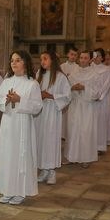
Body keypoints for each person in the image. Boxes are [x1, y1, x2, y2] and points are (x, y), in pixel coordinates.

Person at [0, 50, 42, 205]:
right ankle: (7, 190)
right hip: (8, 124)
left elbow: (37, 106)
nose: (14, 63)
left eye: (18, 60)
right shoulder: (6, 82)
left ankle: (20, 190)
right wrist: (6, 101)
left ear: (25, 62)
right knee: (7, 156)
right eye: (12, 60)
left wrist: (20, 100)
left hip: (22, 125)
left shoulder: (32, 84)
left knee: (21, 156)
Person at [34, 51, 71, 185]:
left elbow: (67, 96)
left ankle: (52, 171)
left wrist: (49, 95)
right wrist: (38, 95)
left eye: (45, 59)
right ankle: (43, 169)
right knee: (40, 140)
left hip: (52, 113)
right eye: (41, 59)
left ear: (53, 60)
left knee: (50, 141)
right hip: (40, 112)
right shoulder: (39, 74)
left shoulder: (60, 77)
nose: (42, 62)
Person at [65, 50, 100, 168]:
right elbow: (66, 89)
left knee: (86, 131)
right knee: (73, 131)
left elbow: (97, 93)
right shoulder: (73, 73)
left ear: (90, 60)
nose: (83, 60)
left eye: (85, 58)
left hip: (87, 106)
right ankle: (72, 156)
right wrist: (73, 88)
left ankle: (86, 158)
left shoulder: (95, 74)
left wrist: (84, 88)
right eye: (81, 58)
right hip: (75, 105)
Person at [91, 48, 110, 154]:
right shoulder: (89, 68)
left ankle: (100, 147)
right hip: (91, 99)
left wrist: (99, 96)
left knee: (101, 123)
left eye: (98, 55)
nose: (96, 57)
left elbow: (107, 85)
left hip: (101, 100)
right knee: (91, 123)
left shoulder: (106, 69)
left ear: (102, 58)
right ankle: (90, 145)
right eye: (95, 55)